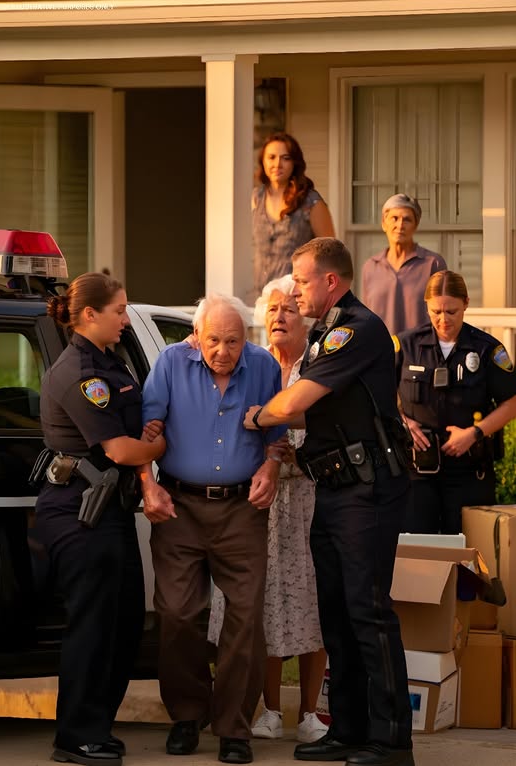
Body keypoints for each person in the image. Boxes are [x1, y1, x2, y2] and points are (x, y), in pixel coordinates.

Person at [244, 237, 414, 766]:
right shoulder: (325, 333)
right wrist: (272, 414)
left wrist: (257, 416)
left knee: (368, 611)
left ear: (331, 281)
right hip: (334, 486)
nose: (295, 291)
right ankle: (349, 729)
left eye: (301, 280)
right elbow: (312, 412)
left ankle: (391, 742)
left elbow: (294, 402)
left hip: (367, 490)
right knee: (336, 615)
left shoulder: (355, 330)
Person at [140, 293, 285, 766]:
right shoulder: (170, 363)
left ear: (247, 338)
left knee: (245, 617)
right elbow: (148, 429)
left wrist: (272, 468)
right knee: (177, 612)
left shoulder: (263, 366)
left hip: (242, 509)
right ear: (196, 336)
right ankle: (188, 714)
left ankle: (234, 727)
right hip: (179, 506)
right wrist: (147, 484)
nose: (223, 351)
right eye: (214, 340)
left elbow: (277, 436)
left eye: (234, 341)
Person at [34, 272, 166, 766]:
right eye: (119, 310)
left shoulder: (111, 362)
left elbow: (133, 432)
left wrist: (144, 439)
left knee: (124, 623)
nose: (125, 318)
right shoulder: (80, 372)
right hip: (79, 514)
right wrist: (160, 445)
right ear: (90, 314)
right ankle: (75, 736)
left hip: (109, 510)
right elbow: (121, 449)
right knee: (91, 625)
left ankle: (98, 727)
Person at [208, 275, 328, 744]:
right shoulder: (252, 364)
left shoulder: (318, 367)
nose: (279, 316)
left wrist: (292, 455)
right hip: (257, 504)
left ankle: (311, 713)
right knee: (262, 605)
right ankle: (271, 710)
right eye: (273, 309)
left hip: (306, 503)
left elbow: (326, 429)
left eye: (289, 309)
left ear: (305, 319)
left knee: (311, 602)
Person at [395, 269, 516, 534]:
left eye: (452, 311)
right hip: (417, 472)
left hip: (469, 472)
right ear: (426, 306)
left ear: (466, 304)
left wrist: (475, 433)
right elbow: (376, 393)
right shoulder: (406, 345)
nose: (443, 319)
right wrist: (403, 422)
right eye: (436, 311)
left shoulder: (487, 349)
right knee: (418, 550)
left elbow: (512, 402)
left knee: (470, 549)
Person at [252, 131, 335, 297]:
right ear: (263, 161)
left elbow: (331, 255)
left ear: (295, 163)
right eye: (271, 157)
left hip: (298, 298)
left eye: (286, 158)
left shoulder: (311, 202)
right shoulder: (256, 198)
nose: (277, 164)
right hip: (262, 299)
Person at [362, 193, 447, 335]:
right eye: (394, 218)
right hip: (380, 347)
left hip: (420, 347)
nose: (400, 225)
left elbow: (444, 313)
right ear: (384, 223)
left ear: (416, 225)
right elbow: (366, 317)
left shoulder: (433, 263)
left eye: (407, 219)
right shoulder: (370, 267)